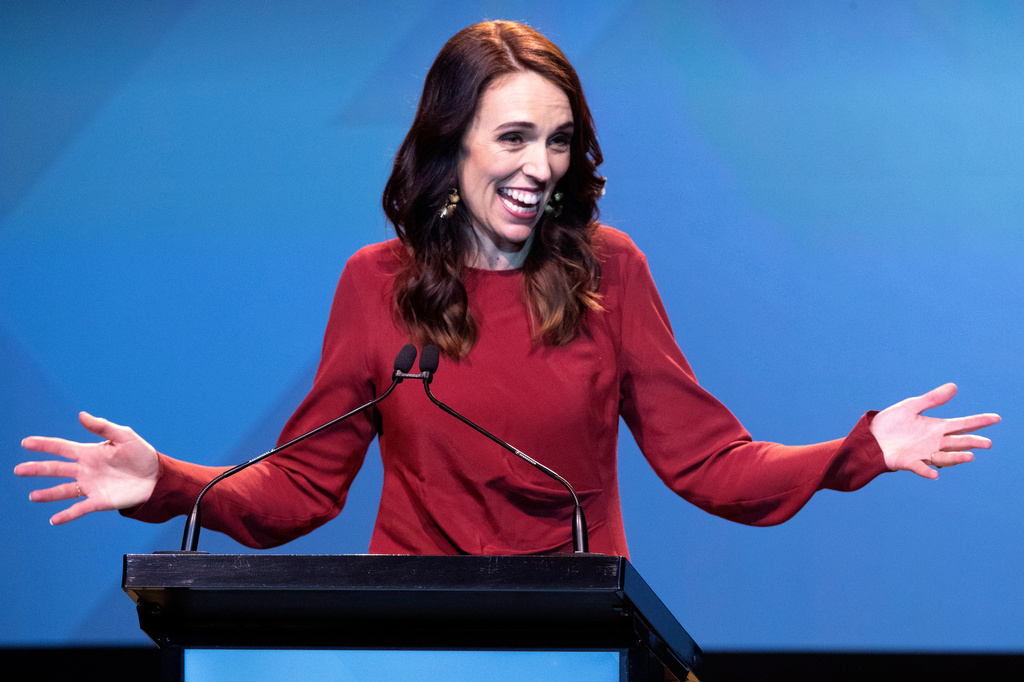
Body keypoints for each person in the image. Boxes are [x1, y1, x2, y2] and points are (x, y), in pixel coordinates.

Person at [15, 21, 999, 556]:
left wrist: (854, 451)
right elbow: (304, 489)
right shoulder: (376, 285)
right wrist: (169, 483)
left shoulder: (612, 271)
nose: (542, 165)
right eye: (515, 137)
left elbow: (708, 463)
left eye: (560, 139)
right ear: (452, 148)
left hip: (575, 629)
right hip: (402, 643)